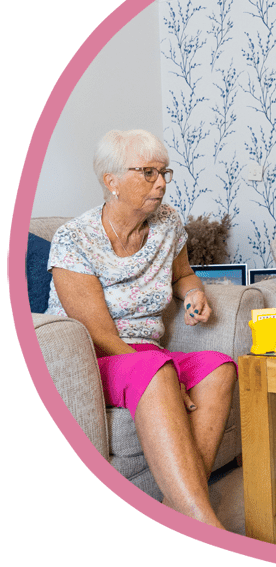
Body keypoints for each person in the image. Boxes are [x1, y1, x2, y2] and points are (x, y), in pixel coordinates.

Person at [45, 129, 236, 529]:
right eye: (148, 172)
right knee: (156, 370)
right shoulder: (74, 239)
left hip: (148, 357)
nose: (161, 182)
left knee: (219, 366)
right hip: (95, 356)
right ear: (110, 180)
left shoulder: (167, 223)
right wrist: (164, 378)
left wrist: (194, 293)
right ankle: (210, 528)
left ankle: (173, 513)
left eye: (164, 172)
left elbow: (182, 274)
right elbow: (99, 333)